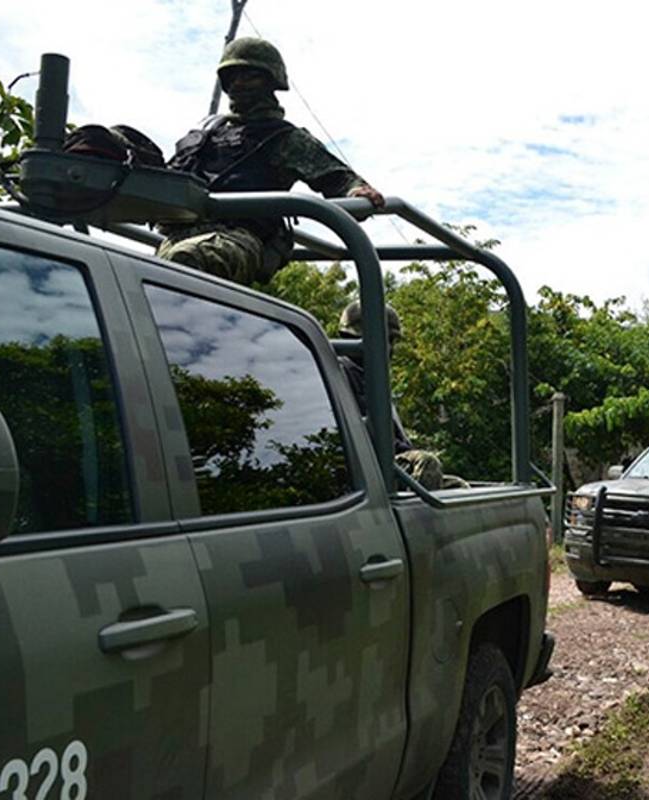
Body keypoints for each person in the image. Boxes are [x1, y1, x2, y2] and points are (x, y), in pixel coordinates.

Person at [157, 37, 385, 285]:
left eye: (249, 76)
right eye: (232, 77)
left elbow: (337, 178)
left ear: (271, 80)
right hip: (177, 237)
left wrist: (356, 191)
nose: (238, 84)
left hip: (237, 239)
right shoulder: (205, 134)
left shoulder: (284, 138)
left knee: (186, 261)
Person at [336, 300, 455, 491]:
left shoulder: (371, 376)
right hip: (368, 464)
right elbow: (365, 432)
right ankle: (419, 521)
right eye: (387, 340)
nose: (391, 349)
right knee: (427, 463)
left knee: (457, 487)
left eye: (393, 341)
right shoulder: (343, 372)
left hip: (386, 459)